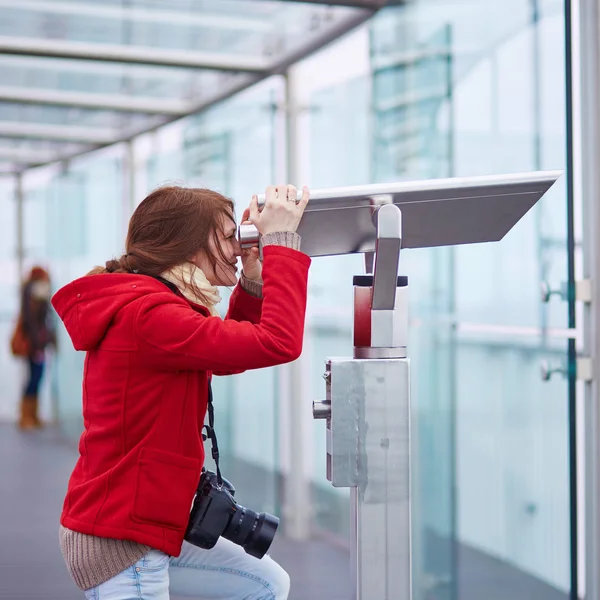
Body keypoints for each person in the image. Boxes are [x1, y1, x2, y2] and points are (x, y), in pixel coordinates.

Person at [52, 183, 311, 600]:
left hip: (146, 519)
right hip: (124, 539)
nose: (238, 246)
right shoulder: (149, 316)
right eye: (228, 236)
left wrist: (256, 282)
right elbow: (278, 342)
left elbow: (226, 355)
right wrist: (281, 244)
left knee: (265, 583)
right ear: (188, 247)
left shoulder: (155, 306)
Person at [15, 265, 55, 429]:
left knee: (35, 378)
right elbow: (32, 321)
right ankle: (27, 417)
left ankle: (32, 416)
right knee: (34, 378)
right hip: (34, 344)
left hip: (36, 342)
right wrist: (37, 343)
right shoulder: (34, 291)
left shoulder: (29, 292)